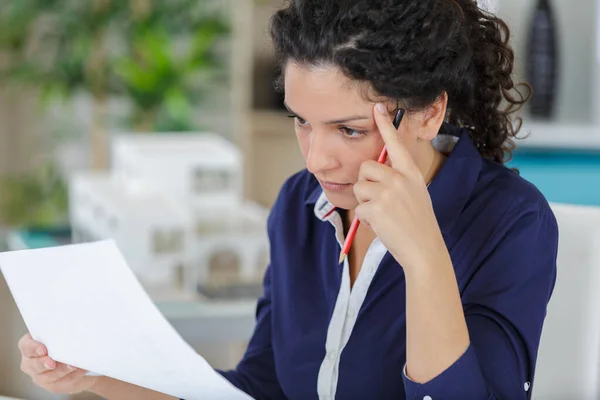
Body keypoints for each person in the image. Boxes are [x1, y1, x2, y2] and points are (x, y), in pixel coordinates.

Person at [18, 0, 558, 399]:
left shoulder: (511, 222)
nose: (316, 159)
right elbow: (262, 388)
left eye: (348, 130)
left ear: (427, 114)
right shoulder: (302, 206)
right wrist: (98, 375)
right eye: (303, 123)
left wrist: (423, 258)